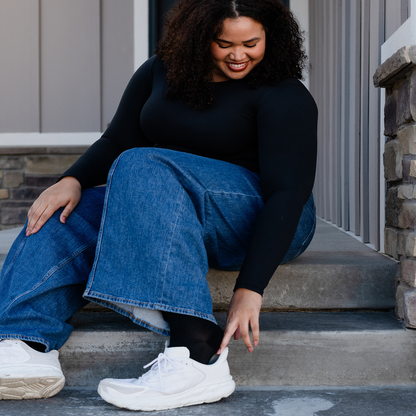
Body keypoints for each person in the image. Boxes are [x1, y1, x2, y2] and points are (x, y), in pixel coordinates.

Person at [0, 0, 317, 411]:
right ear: (200, 37)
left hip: (259, 213)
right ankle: (23, 344)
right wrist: (71, 180)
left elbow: (287, 194)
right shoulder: (160, 72)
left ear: (269, 38)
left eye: (251, 43)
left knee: (142, 163)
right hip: (160, 201)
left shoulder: (284, 93)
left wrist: (250, 287)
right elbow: (117, 140)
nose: (239, 55)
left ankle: (197, 354)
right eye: (224, 43)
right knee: (61, 213)